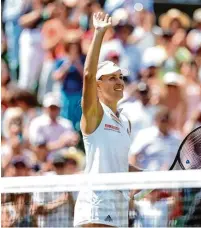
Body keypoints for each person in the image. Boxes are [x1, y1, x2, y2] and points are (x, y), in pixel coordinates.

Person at [74, 12, 142, 228]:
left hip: (119, 206)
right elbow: (87, 75)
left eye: (120, 77)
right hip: (97, 204)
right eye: (112, 78)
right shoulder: (94, 112)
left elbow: (118, 163)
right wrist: (99, 33)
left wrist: (151, 178)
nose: (119, 81)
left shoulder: (125, 122)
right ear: (98, 85)